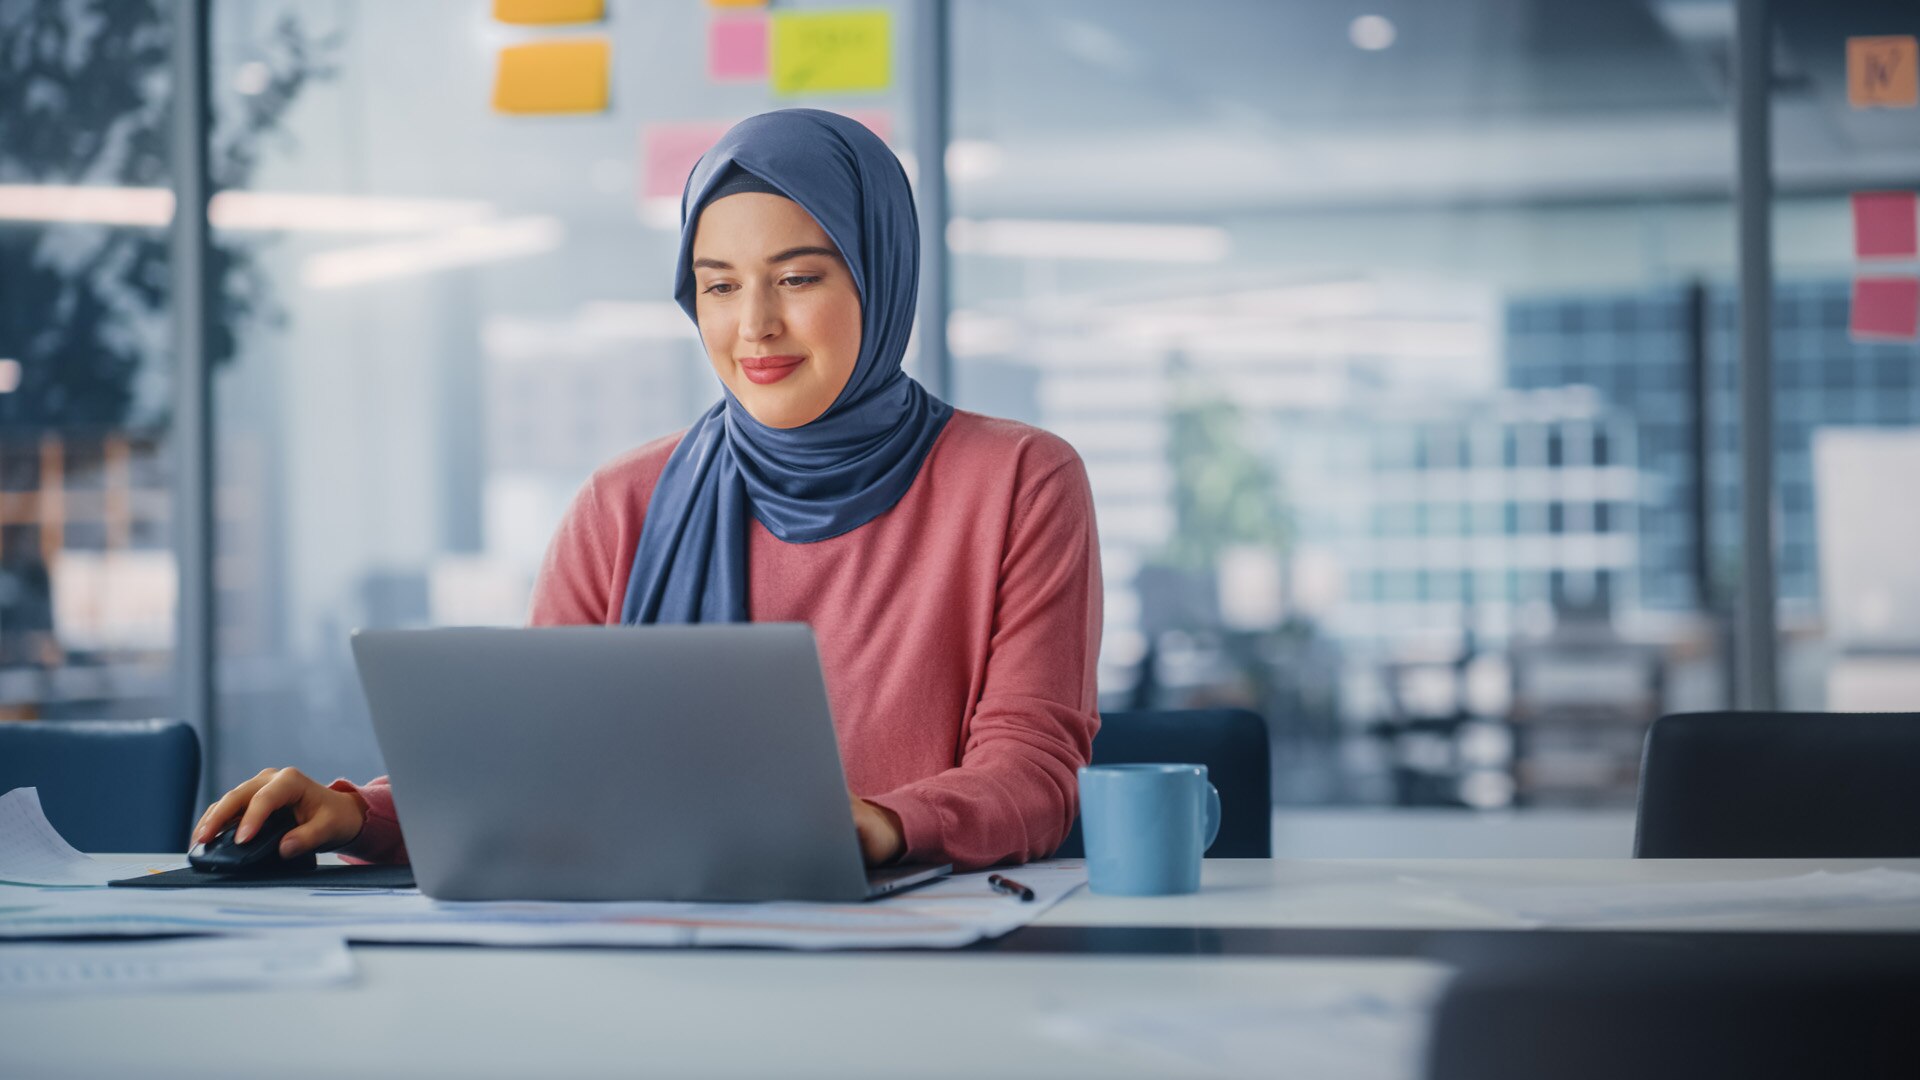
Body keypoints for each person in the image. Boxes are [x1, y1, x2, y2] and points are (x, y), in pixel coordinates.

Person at [192, 109, 1102, 872]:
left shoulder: (1020, 480)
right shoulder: (622, 501)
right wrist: (358, 815)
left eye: (797, 277)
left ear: (880, 273)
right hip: (659, 945)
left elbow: (1033, 771)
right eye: (718, 286)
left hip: (924, 964)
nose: (756, 325)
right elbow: (537, 764)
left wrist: (884, 824)